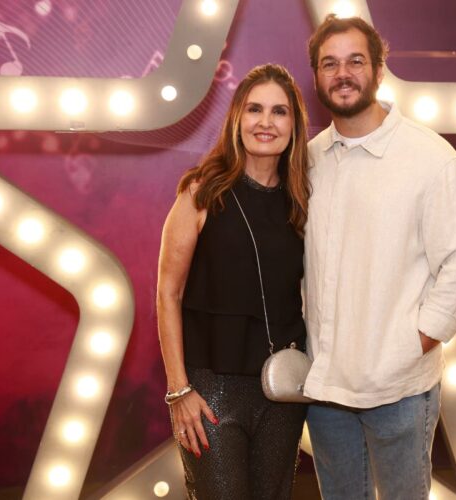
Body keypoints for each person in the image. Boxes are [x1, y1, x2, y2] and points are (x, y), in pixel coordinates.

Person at [303, 15, 456, 499]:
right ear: (317, 77)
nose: (343, 73)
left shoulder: (429, 158)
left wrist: (413, 342)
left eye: (356, 61)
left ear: (379, 71)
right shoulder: (309, 160)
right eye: (330, 64)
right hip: (325, 390)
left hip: (399, 388)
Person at [156, 64, 311, 500]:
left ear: (294, 125)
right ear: (236, 120)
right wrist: (178, 390)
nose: (266, 122)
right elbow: (168, 293)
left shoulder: (303, 201)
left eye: (279, 112)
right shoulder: (201, 192)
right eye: (254, 109)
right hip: (210, 390)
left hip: (282, 391)